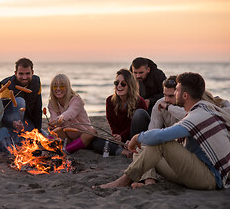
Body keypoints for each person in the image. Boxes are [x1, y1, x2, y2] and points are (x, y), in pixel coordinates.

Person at [96, 72, 230, 190]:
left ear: (184, 95)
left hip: (210, 178)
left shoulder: (198, 116)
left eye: (176, 90)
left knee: (161, 142)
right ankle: (149, 182)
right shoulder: (202, 108)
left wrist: (137, 137)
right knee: (141, 149)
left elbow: (163, 136)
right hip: (193, 168)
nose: (169, 96)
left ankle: (124, 180)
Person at [131, 75, 187, 188]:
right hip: (166, 153)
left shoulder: (187, 106)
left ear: (180, 94)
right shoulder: (160, 104)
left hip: (185, 155)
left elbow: (187, 116)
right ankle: (149, 181)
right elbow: (152, 131)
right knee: (140, 149)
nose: (166, 100)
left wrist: (168, 108)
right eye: (165, 95)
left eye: (171, 96)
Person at [91, 69, 149, 157]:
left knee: (140, 114)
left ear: (130, 85)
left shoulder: (139, 101)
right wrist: (117, 136)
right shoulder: (110, 101)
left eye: (123, 83)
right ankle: (124, 152)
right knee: (95, 142)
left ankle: (131, 146)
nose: (119, 86)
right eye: (116, 83)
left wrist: (124, 136)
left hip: (135, 136)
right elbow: (111, 122)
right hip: (121, 139)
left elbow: (139, 124)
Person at [0, 58, 43, 143]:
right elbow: (2, 113)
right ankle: (16, 139)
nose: (24, 77)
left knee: (45, 137)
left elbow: (37, 109)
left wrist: (38, 131)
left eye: (27, 73)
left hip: (26, 121)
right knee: (19, 101)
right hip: (10, 123)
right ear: (15, 73)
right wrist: (13, 122)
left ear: (32, 73)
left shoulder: (36, 82)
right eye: (21, 74)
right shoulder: (6, 86)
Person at [47, 74, 96, 154]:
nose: (58, 89)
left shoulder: (76, 99)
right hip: (67, 137)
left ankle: (66, 150)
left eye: (62, 86)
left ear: (68, 87)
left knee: (92, 132)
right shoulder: (52, 103)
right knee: (54, 131)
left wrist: (61, 117)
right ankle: (63, 148)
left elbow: (71, 113)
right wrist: (53, 124)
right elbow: (54, 117)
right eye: (55, 86)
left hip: (82, 135)